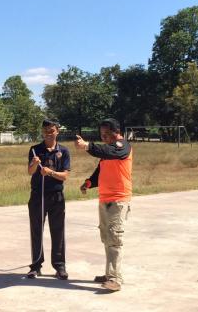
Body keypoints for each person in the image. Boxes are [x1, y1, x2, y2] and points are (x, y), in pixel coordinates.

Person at [75, 118, 132, 292]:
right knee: (107, 238)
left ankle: (116, 279)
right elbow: (100, 171)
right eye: (102, 135)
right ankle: (109, 274)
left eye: (107, 134)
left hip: (118, 200)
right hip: (104, 199)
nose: (104, 137)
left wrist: (87, 146)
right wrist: (88, 183)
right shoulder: (108, 153)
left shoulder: (122, 147)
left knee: (114, 239)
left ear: (117, 132)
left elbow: (110, 151)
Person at [27, 119, 70, 280]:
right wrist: (34, 163)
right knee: (36, 230)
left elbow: (65, 175)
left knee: (58, 231)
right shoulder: (35, 149)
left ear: (57, 131)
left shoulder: (63, 151)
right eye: (45, 131)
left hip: (56, 196)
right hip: (38, 196)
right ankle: (36, 266)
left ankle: (60, 266)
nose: (48, 133)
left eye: (51, 130)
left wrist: (50, 172)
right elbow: (30, 172)